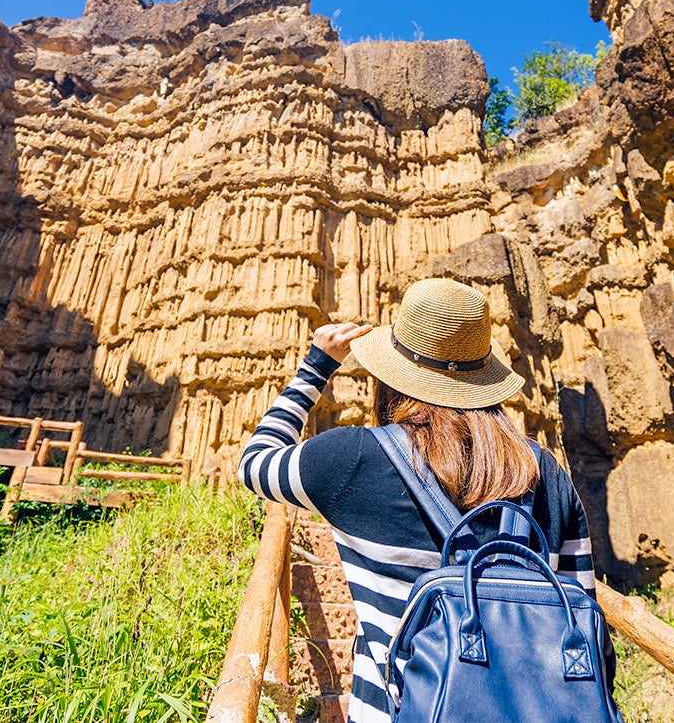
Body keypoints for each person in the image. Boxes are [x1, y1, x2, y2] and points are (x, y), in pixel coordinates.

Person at [237, 277, 600, 723]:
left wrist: (316, 367)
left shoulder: (352, 458)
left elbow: (254, 462)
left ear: (392, 375)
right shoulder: (546, 475)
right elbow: (582, 620)